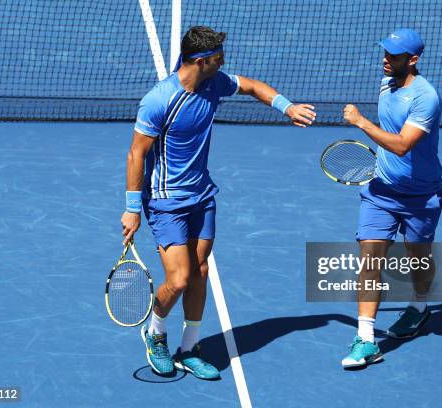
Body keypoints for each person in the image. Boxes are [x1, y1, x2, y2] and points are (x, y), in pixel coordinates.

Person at [121, 26, 316, 379]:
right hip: (166, 201)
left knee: (200, 272)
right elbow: (137, 153)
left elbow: (253, 86)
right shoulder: (159, 99)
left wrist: (286, 107)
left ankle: (190, 346)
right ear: (200, 60)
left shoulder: (215, 83)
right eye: (218, 59)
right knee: (178, 280)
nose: (223, 63)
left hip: (202, 196)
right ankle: (156, 333)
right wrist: (133, 207)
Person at [341, 28, 442, 368]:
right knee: (371, 259)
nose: (385, 59)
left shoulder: (425, 97)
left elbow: (401, 144)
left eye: (394, 56)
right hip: (381, 191)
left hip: (421, 196)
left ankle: (419, 306)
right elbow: (390, 142)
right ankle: (366, 339)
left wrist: (360, 122)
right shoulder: (386, 83)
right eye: (384, 53)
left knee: (418, 260)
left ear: (412, 60)